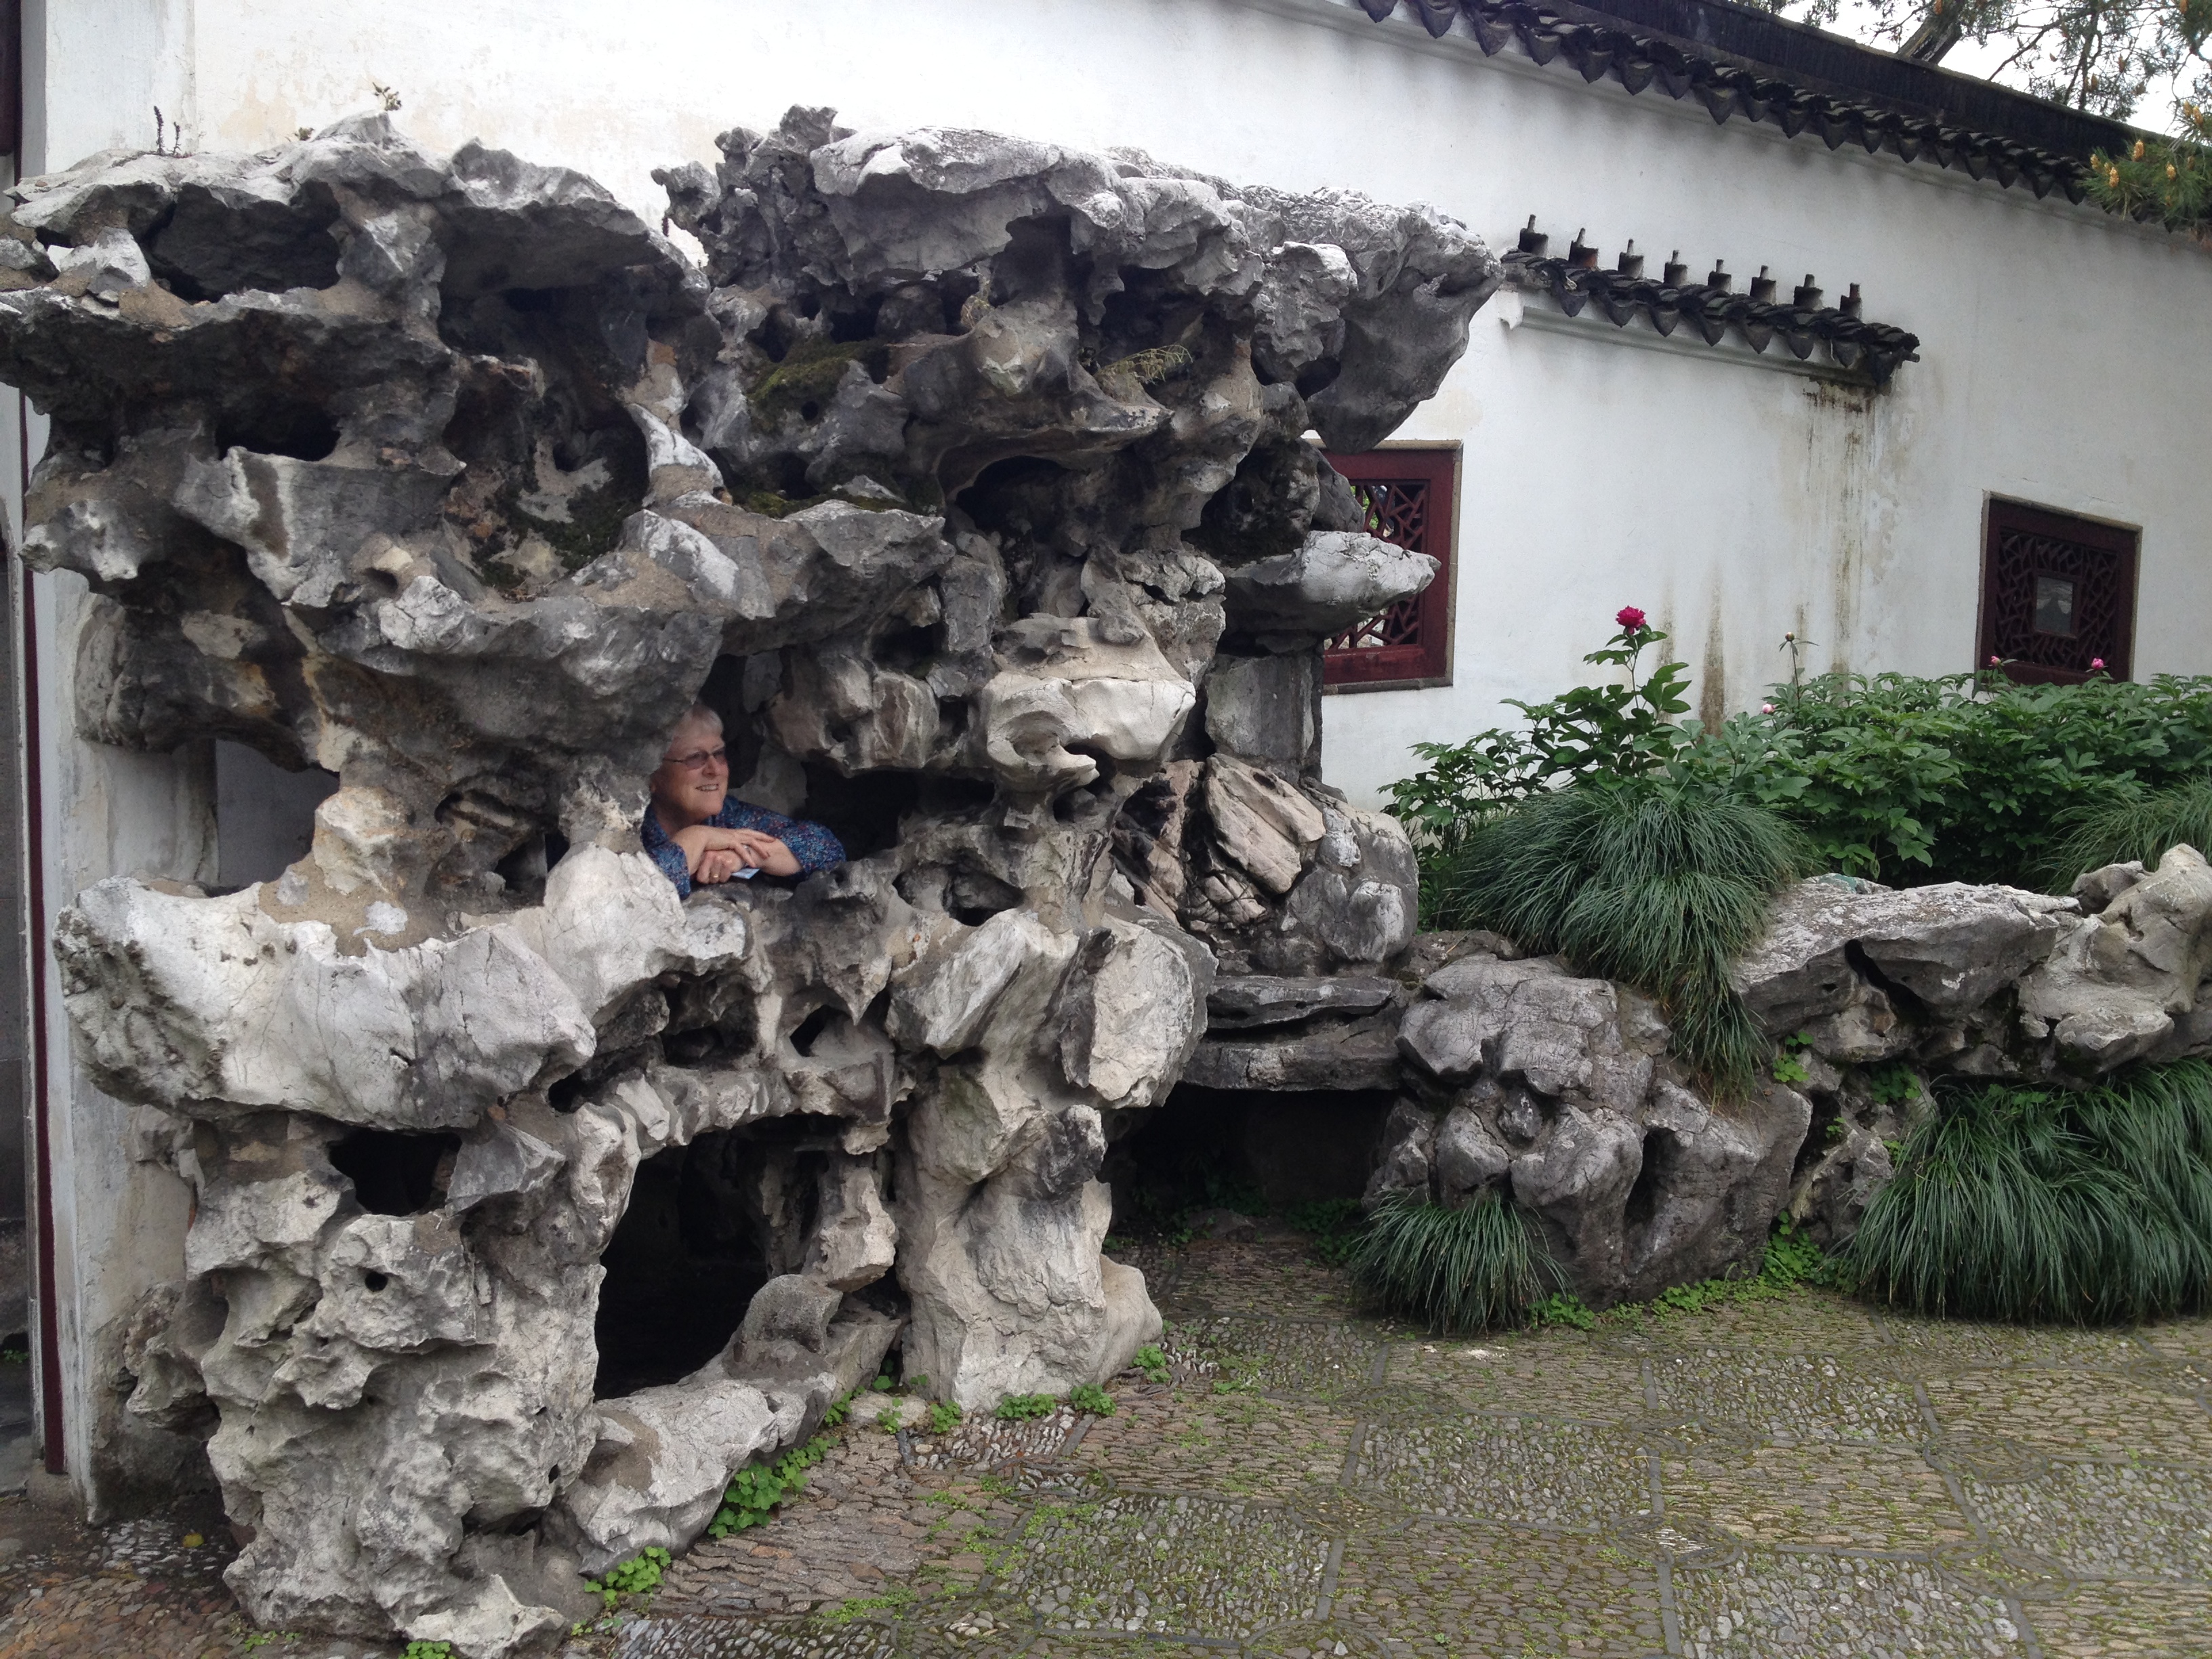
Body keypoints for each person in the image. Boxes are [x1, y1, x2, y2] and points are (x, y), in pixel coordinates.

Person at [642, 704, 844, 897]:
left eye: (719, 754)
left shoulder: (728, 817)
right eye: (695, 758)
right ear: (652, 775)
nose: (715, 770)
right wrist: (697, 837)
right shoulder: (631, 830)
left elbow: (826, 848)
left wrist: (746, 855)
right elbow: (641, 893)